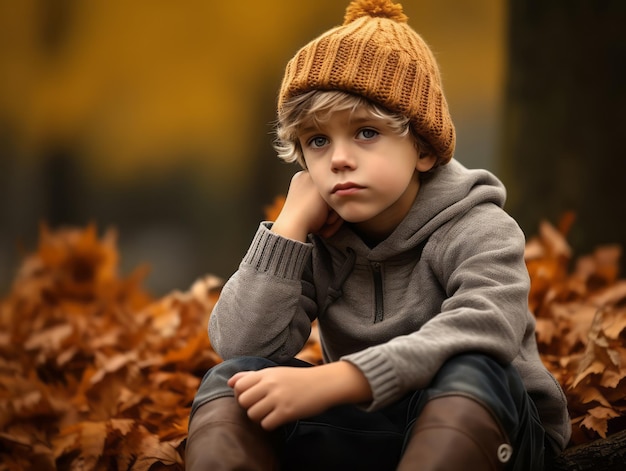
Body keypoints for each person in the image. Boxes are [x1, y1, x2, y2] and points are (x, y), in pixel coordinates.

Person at [185, 0, 571, 469]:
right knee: (233, 383)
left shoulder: (477, 225)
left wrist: (340, 378)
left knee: (473, 370)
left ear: (424, 149)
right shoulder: (318, 237)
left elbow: (484, 330)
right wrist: (289, 226)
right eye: (317, 141)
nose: (338, 159)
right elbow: (241, 345)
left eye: (366, 133)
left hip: (490, 426)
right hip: (376, 430)